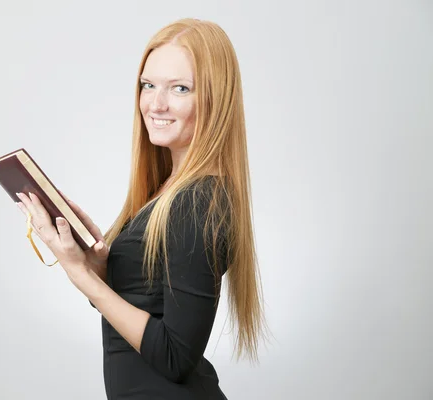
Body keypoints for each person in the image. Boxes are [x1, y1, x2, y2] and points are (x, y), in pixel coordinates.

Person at [15, 17, 268, 400]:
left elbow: (175, 357)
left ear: (216, 99)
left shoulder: (197, 202)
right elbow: (145, 306)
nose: (155, 103)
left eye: (180, 88)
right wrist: (97, 267)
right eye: (147, 85)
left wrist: (78, 274)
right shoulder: (169, 192)